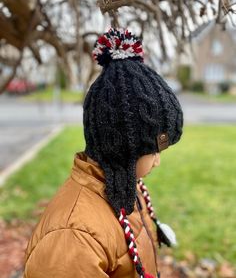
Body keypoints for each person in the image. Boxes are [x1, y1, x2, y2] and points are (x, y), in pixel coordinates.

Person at [23, 28, 183, 278]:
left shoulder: (124, 185)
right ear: (123, 147)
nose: (158, 162)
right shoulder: (73, 237)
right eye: (153, 151)